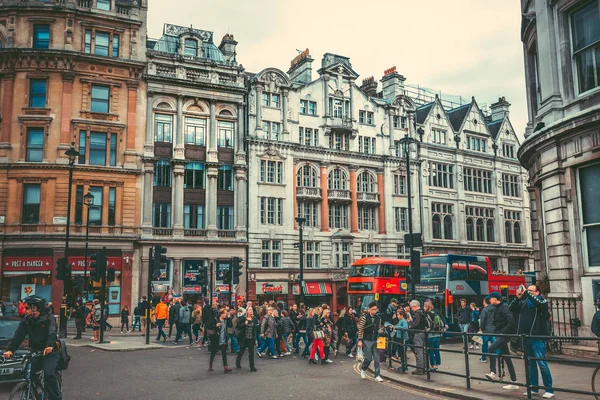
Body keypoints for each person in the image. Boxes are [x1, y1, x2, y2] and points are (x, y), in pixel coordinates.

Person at [4, 295, 61, 400]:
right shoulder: (27, 320)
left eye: (27, 308)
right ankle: (33, 392)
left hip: (50, 351)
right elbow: (18, 336)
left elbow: (52, 332)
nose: (24, 310)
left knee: (48, 374)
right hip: (36, 351)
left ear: (35, 308)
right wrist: (10, 350)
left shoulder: (49, 317)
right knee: (28, 373)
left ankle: (55, 397)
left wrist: (49, 346)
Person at [510, 285, 554, 398]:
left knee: (541, 363)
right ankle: (533, 387)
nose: (527, 292)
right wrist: (517, 298)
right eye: (527, 290)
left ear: (537, 292)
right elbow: (511, 308)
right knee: (530, 364)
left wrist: (527, 293)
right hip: (526, 337)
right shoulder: (525, 302)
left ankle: (549, 389)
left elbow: (539, 304)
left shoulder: (541, 301)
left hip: (537, 337)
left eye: (530, 290)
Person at [485, 292, 519, 390]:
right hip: (501, 334)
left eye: (491, 298)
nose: (489, 300)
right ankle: (514, 381)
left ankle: (493, 372)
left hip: (505, 334)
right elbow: (498, 322)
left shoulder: (504, 308)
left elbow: (511, 322)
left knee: (491, 348)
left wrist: (502, 332)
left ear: (495, 299)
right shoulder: (496, 308)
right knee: (507, 357)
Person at [358, 302, 384, 382]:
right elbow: (360, 329)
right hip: (367, 340)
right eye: (373, 309)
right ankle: (363, 368)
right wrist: (360, 340)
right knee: (368, 358)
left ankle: (377, 375)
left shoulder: (378, 318)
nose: (374, 311)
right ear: (369, 309)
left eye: (376, 309)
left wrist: (381, 331)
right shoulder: (364, 318)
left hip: (376, 340)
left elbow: (379, 329)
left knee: (376, 359)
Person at [208, 308, 233, 373]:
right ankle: (210, 365)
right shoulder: (216, 320)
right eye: (224, 313)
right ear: (221, 314)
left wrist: (229, 318)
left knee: (224, 353)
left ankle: (225, 367)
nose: (225, 315)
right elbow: (209, 326)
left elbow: (230, 325)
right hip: (216, 339)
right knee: (213, 352)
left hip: (223, 339)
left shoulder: (226, 320)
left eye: (226, 313)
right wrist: (215, 325)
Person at [236, 306, 259, 372]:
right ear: (247, 311)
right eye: (249, 310)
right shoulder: (243, 318)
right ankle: (238, 362)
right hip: (244, 337)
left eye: (251, 309)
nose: (251, 311)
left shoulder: (254, 318)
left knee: (251, 352)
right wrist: (244, 324)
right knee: (242, 351)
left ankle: (252, 366)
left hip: (251, 337)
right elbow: (238, 326)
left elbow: (255, 328)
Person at [408, 300, 427, 375]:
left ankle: (420, 369)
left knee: (419, 351)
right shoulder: (423, 312)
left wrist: (409, 322)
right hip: (424, 332)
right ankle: (425, 367)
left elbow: (415, 324)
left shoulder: (417, 313)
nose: (411, 309)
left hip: (418, 333)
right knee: (424, 351)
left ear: (414, 306)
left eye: (411, 307)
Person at [478, 296, 496, 363]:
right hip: (494, 329)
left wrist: (481, 328)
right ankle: (497, 356)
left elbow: (483, 320)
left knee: (484, 344)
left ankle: (484, 358)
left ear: (484, 302)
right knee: (495, 344)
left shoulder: (484, 310)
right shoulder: (495, 308)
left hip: (486, 329)